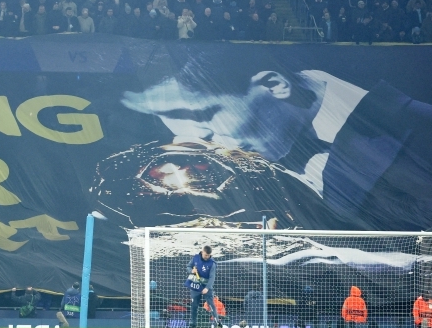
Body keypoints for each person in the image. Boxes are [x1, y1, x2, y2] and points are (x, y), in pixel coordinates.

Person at [120, 58, 432, 231]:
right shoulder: (281, 184)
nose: (209, 145)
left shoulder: (416, 131)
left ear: (276, 86)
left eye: (207, 117)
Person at [186, 246, 221, 328]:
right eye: (206, 255)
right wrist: (191, 271)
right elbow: (188, 266)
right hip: (195, 285)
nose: (207, 257)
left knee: (211, 305)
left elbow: (212, 277)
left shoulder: (212, 263)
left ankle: (217, 324)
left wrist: (207, 288)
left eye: (209, 255)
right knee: (194, 305)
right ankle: (193, 325)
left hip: (206, 286)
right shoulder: (195, 258)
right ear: (202, 252)